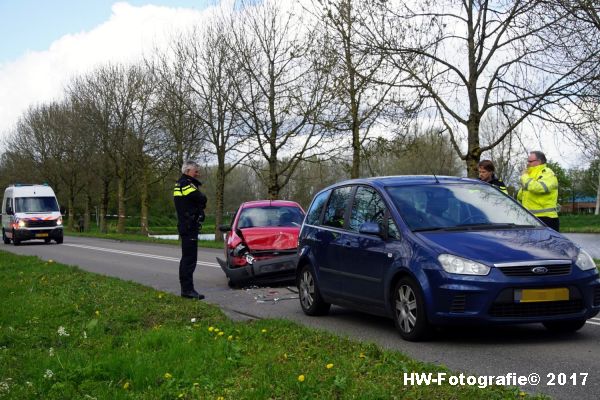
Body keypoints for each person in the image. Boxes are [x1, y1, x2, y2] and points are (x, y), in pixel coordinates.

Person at [173, 160, 208, 299]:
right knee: (189, 259)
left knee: (188, 258)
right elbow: (200, 198)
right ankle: (187, 291)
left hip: (187, 225)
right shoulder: (185, 184)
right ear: (187, 172)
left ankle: (187, 289)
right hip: (188, 226)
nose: (197, 174)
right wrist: (202, 200)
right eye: (195, 171)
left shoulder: (182, 183)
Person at [517, 151, 560, 231]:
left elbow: (539, 188)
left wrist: (524, 177)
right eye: (528, 161)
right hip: (530, 218)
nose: (528, 163)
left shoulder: (548, 173)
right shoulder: (530, 175)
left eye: (530, 161)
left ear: (539, 161)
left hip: (546, 219)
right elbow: (520, 196)